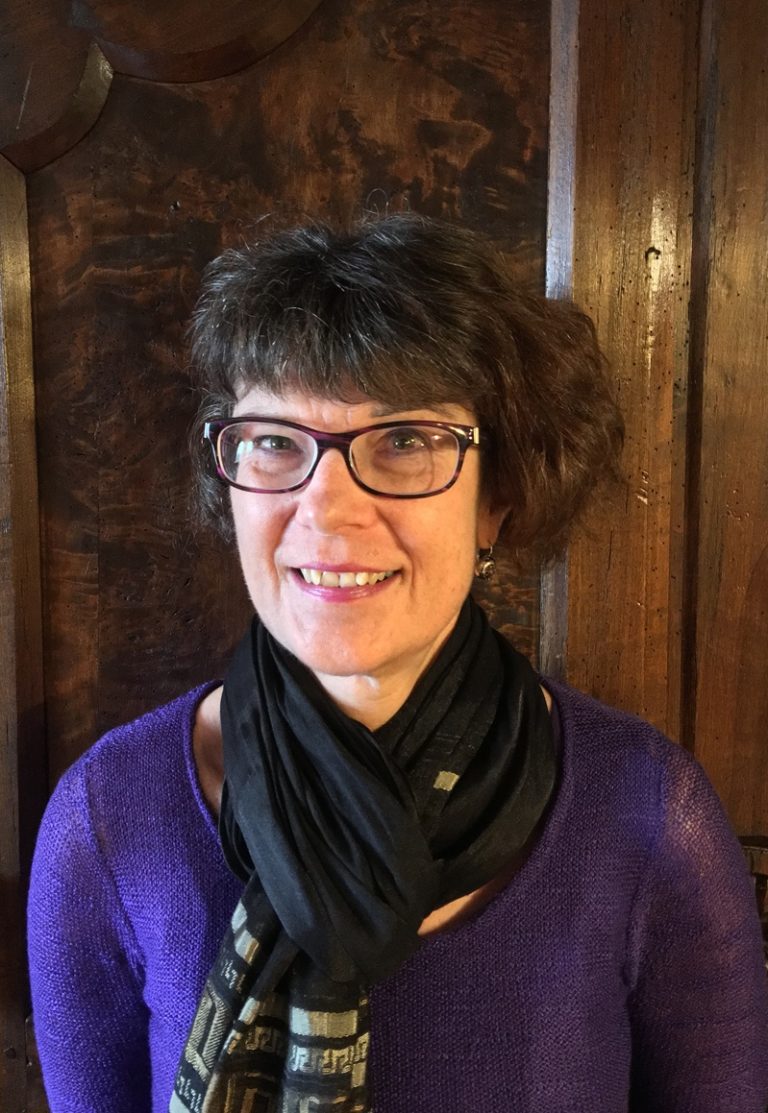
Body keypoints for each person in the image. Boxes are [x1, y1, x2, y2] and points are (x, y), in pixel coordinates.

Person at [28, 214, 768, 1113]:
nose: (326, 511)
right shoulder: (110, 819)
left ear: (498, 497)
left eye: (406, 439)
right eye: (275, 440)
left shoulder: (647, 818)